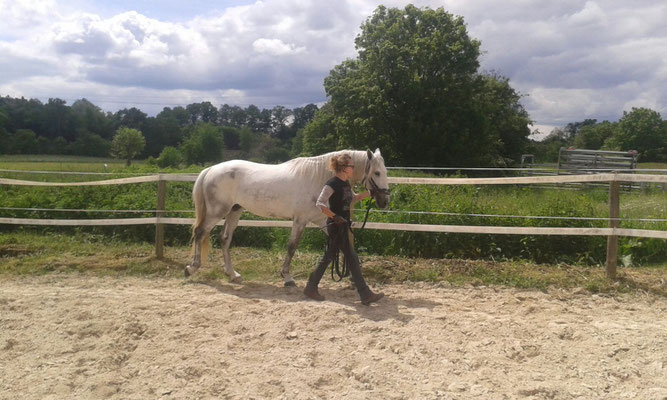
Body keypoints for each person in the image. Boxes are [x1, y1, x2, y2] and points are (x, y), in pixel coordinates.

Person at [303, 153, 385, 305]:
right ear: (343, 168)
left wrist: (371, 193)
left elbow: (353, 198)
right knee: (346, 258)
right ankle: (365, 294)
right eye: (351, 166)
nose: (353, 169)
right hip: (336, 226)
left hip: (343, 225)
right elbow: (320, 204)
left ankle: (311, 286)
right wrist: (335, 216)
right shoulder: (331, 184)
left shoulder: (346, 183)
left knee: (333, 257)